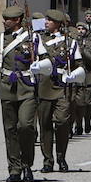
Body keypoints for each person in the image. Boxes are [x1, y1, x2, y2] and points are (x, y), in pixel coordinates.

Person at [0, 6, 40, 182]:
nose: (4, 22)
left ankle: (27, 165)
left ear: (17, 20)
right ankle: (15, 168)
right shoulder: (1, 39)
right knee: (10, 130)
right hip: (7, 87)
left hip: (27, 87)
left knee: (25, 126)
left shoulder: (32, 38)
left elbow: (44, 57)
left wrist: (39, 63)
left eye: (8, 19)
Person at [34, 9, 79, 173]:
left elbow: (79, 64)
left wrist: (74, 75)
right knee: (45, 125)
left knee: (61, 122)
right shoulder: (38, 40)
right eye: (46, 19)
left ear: (58, 24)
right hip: (44, 85)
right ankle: (48, 160)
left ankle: (61, 156)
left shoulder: (70, 42)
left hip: (62, 86)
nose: (46, 22)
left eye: (50, 20)